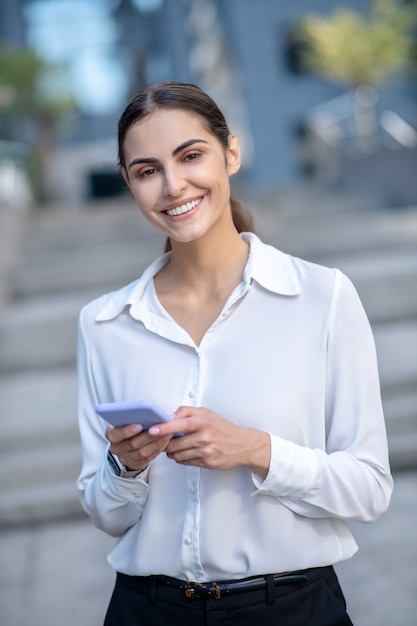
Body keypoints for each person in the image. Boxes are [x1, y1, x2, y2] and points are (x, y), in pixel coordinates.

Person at [77, 81, 393, 626]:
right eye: (148, 170)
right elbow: (106, 512)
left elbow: (369, 489)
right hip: (145, 610)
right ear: (129, 183)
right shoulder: (105, 324)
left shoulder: (321, 296)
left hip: (292, 609)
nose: (174, 185)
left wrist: (257, 450)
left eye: (191, 155)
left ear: (232, 153)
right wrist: (124, 466)